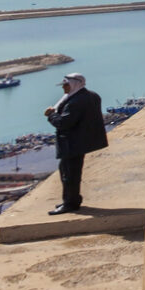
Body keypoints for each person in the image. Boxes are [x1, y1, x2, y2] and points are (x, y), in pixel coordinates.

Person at [44, 73, 108, 215]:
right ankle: (72, 199)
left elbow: (63, 123)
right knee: (68, 171)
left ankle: (70, 203)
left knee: (69, 174)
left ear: (74, 84)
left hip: (72, 143)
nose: (64, 88)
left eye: (66, 85)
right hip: (82, 141)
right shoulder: (92, 95)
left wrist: (51, 115)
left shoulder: (75, 102)